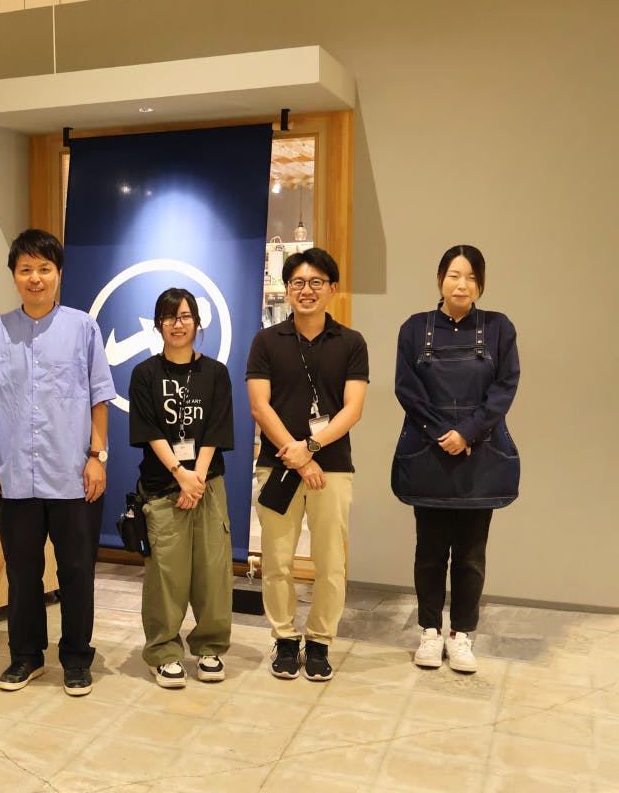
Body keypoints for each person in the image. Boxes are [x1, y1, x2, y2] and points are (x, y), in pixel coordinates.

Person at [0, 228, 116, 697]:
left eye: (44, 269)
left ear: (58, 274)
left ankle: (76, 658)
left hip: (73, 475)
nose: (35, 278)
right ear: (14, 275)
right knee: (23, 573)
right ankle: (26, 656)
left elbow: (99, 398)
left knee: (76, 572)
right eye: (26, 269)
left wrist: (96, 457)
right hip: (16, 478)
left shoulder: (83, 328)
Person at [392, 245, 519, 674]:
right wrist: (441, 433)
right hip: (429, 454)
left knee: (471, 555)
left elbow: (505, 387)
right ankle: (430, 631)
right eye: (453, 275)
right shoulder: (415, 328)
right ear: (439, 280)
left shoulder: (499, 328)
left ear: (480, 284)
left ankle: (461, 635)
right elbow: (407, 388)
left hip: (480, 457)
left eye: (470, 277)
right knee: (429, 552)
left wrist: (467, 432)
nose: (461, 284)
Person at [247, 247, 368, 682]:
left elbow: (353, 409)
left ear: (332, 288)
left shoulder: (351, 342)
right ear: (287, 289)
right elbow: (260, 406)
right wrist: (297, 456)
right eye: (298, 282)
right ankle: (284, 638)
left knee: (330, 562)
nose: (307, 290)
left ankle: (319, 642)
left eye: (317, 282)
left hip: (331, 468)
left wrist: (311, 447)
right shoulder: (266, 341)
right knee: (277, 560)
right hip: (278, 465)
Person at [128, 288, 234, 688]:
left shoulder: (216, 373)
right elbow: (148, 430)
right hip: (162, 487)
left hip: (207, 485)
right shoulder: (145, 374)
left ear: (197, 322)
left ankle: (209, 647)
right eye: (170, 317)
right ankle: (164, 652)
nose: (178, 324)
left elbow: (217, 429)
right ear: (159, 324)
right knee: (165, 576)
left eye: (186, 316)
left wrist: (197, 478)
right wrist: (180, 474)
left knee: (213, 571)